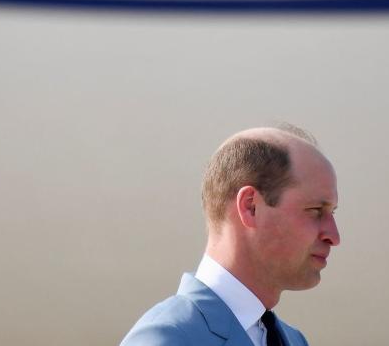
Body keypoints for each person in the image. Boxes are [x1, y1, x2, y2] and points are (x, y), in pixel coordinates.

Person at [121, 125, 341, 346]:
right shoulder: (165, 339)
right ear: (251, 207)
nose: (334, 236)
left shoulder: (294, 340)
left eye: (331, 213)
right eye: (315, 210)